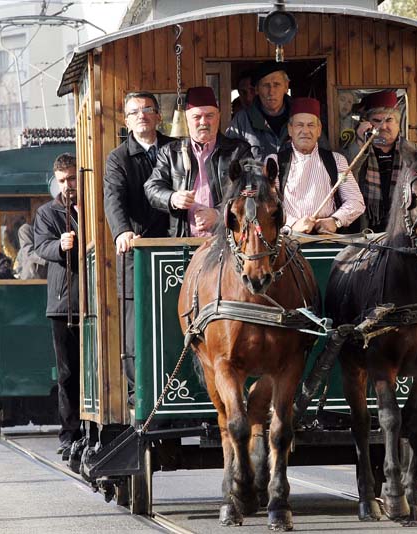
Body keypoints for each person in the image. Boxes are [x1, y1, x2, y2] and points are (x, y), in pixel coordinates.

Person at [104, 91, 175, 399]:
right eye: (135, 112)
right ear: (126, 121)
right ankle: (140, 394)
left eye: (148, 110)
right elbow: (113, 199)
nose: (142, 116)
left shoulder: (176, 149)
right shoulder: (118, 158)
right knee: (136, 329)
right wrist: (121, 232)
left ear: (159, 116)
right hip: (137, 252)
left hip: (176, 245)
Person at [145, 86, 252, 237]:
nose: (203, 122)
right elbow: (152, 187)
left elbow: (251, 190)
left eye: (209, 116)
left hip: (228, 241)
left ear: (218, 116)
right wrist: (172, 198)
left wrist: (220, 216)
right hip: (183, 243)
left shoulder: (238, 151)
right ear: (187, 119)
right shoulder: (170, 152)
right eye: (197, 117)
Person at [33, 153, 81, 459]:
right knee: (67, 373)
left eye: (73, 178)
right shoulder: (48, 213)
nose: (68, 186)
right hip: (63, 303)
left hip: (95, 301)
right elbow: (41, 246)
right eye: (63, 181)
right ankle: (69, 433)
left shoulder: (92, 205)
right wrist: (59, 245)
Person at [275, 97, 364, 234]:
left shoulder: (337, 161)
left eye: (311, 125)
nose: (305, 131)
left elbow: (356, 201)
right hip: (288, 240)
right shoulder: (275, 162)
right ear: (290, 129)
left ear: (319, 130)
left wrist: (336, 220)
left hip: (327, 238)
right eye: (299, 125)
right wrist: (293, 224)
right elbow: (268, 207)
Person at [345, 90, 417, 232]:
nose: (383, 127)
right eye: (377, 121)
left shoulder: (415, 153)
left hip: (404, 227)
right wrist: (361, 141)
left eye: (389, 120)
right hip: (366, 228)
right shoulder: (358, 150)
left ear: (398, 123)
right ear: (367, 123)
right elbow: (347, 177)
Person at [226, 61, 292, 160]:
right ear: (256, 89)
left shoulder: (301, 116)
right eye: (266, 85)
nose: (271, 91)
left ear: (286, 87)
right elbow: (229, 161)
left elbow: (321, 155)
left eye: (276, 84)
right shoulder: (242, 120)